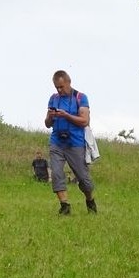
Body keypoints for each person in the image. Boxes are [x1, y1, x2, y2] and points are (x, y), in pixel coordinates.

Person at [44, 69, 97, 215]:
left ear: (68, 82)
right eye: (57, 87)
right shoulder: (53, 98)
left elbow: (85, 121)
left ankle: (90, 200)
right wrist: (50, 116)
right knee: (56, 173)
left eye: (61, 87)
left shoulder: (80, 98)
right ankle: (65, 206)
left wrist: (66, 115)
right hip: (56, 142)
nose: (59, 90)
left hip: (75, 143)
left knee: (84, 178)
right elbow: (47, 124)